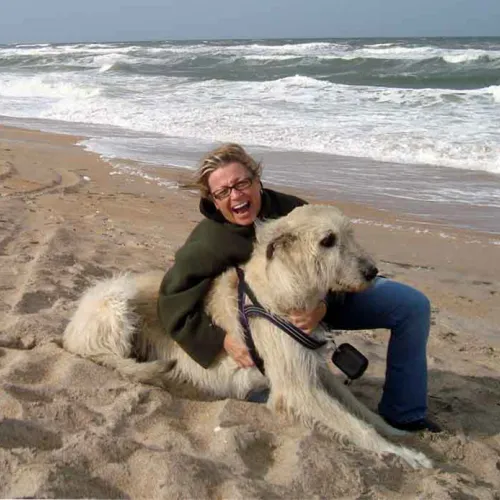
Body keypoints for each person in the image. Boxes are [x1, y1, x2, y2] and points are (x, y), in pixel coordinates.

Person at [157, 143, 441, 433]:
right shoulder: (207, 243)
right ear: (214, 201)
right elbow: (170, 302)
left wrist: (323, 307)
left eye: (242, 183)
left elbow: (338, 266)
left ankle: (404, 413)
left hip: (327, 302)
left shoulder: (294, 212)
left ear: (257, 180)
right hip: (266, 331)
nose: (236, 195)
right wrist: (220, 341)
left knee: (412, 307)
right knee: (280, 391)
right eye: (223, 192)